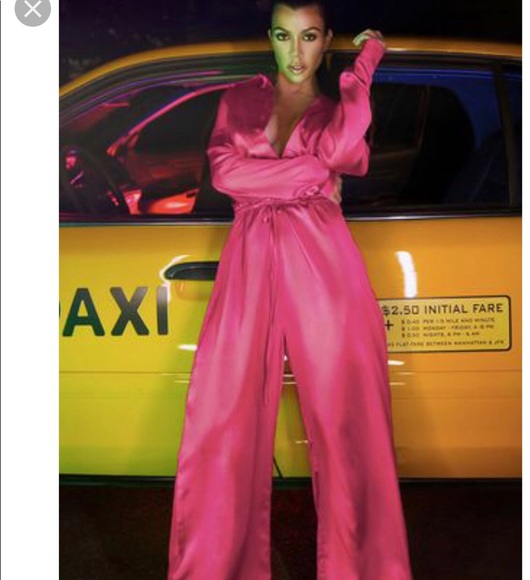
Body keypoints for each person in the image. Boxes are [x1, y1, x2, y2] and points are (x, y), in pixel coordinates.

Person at [167, 1, 413, 578]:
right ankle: (215, 567)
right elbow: (226, 172)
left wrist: (365, 66)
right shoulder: (238, 100)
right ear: (271, 38)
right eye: (284, 36)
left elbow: (341, 153)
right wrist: (309, 174)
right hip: (248, 267)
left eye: (308, 37)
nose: (296, 53)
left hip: (325, 268)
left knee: (350, 424)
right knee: (220, 421)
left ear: (326, 41)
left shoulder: (335, 110)